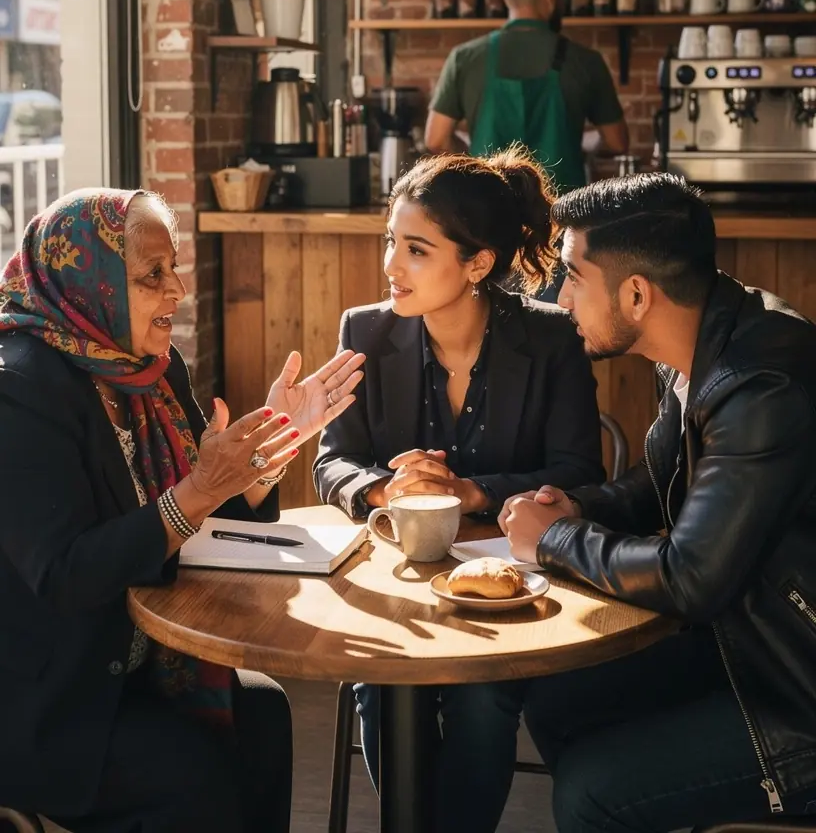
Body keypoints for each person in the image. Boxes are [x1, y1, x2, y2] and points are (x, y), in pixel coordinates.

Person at [0, 188, 365, 833]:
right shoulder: (20, 389)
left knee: (265, 717)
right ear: (89, 284)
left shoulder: (150, 371)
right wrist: (196, 492)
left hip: (145, 660)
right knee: (198, 779)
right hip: (51, 696)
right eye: (152, 275)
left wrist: (271, 447)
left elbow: (215, 520)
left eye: (174, 268)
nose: (178, 290)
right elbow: (66, 573)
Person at [499, 173, 816, 833]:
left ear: (636, 294)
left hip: (797, 692)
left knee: (592, 792)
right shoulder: (704, 342)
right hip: (746, 645)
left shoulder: (763, 383)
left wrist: (553, 541)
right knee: (555, 701)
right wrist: (574, 508)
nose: (560, 297)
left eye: (573, 276)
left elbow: (692, 576)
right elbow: (659, 485)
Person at [314, 148, 604, 833]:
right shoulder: (366, 330)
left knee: (482, 699)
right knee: (380, 689)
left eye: (416, 250)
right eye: (392, 243)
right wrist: (387, 488)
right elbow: (333, 461)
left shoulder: (552, 336)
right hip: (397, 584)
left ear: (477, 264)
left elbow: (579, 473)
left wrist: (473, 493)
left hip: (513, 588)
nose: (391, 267)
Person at [424, 0, 629, 195]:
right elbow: (617, 142)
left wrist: (475, 161)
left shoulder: (465, 58)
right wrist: (578, 149)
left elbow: (435, 140)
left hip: (487, 211)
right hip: (562, 215)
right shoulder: (586, 61)